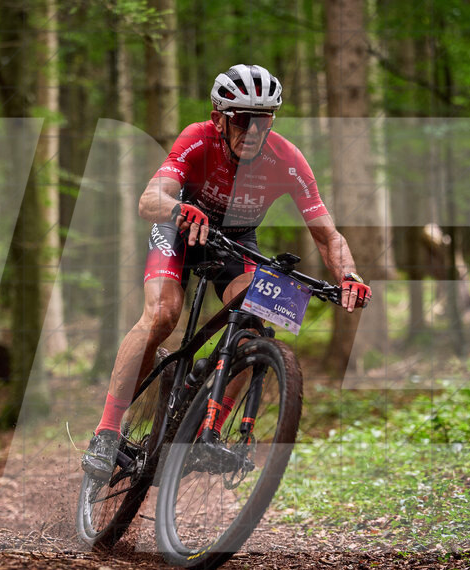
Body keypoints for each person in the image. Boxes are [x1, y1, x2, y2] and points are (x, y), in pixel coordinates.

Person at [81, 64, 372, 478]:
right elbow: (150, 198)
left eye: (264, 119)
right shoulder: (197, 138)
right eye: (242, 119)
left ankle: (208, 432)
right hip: (179, 229)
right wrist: (178, 208)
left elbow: (328, 236)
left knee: (257, 323)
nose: (253, 131)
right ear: (219, 118)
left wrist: (349, 276)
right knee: (163, 315)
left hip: (235, 241)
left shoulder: (287, 159)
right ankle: (106, 433)